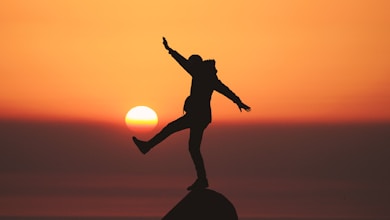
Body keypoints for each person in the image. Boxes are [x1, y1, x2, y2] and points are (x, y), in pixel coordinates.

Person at [133, 37, 251, 191]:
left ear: (196, 64)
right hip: (201, 117)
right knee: (193, 147)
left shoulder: (201, 74)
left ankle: (147, 147)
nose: (190, 67)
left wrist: (170, 50)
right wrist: (238, 102)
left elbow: (184, 64)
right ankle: (202, 179)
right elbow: (224, 89)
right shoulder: (208, 76)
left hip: (197, 116)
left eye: (191, 64)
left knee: (172, 130)